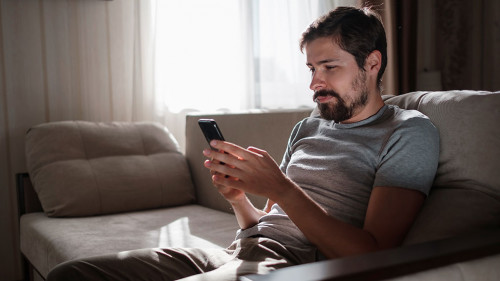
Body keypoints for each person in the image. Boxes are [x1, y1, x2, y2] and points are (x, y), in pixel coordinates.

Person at [47, 6, 439, 281]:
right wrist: (238, 199)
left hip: (294, 266)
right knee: (74, 273)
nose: (314, 83)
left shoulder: (407, 131)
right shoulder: (308, 128)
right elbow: (268, 224)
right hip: (240, 250)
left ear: (372, 63)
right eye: (311, 69)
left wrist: (281, 187)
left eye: (330, 67)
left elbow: (373, 256)